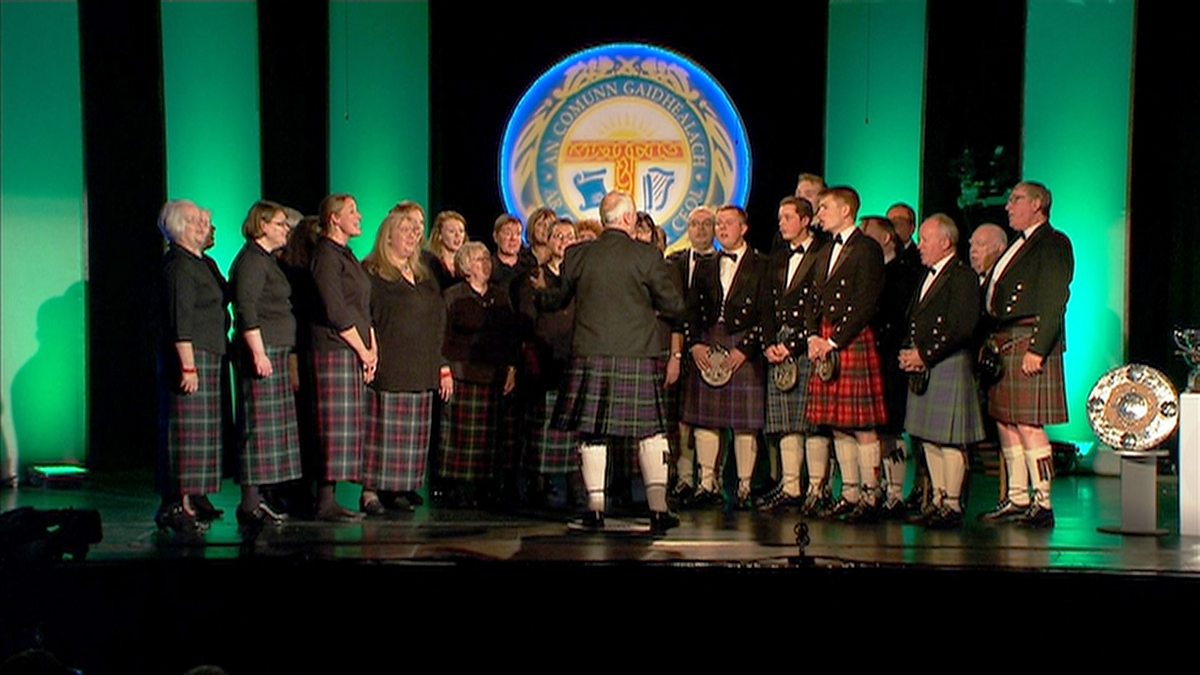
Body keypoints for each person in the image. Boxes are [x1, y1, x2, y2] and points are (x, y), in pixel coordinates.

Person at [532, 190, 685, 533]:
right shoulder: (647, 255)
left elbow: (556, 300)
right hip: (637, 354)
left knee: (592, 432)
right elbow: (673, 306)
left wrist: (540, 292)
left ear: (604, 220)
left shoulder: (578, 254)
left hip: (591, 354)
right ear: (628, 218)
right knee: (650, 433)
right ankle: (658, 511)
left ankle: (595, 510)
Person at [979, 181, 1073, 528]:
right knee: (1006, 422)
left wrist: (1038, 347)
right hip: (1006, 338)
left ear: (1037, 204)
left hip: (1029, 338)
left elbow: (1054, 298)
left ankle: (1043, 502)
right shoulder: (1018, 244)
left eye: (1016, 199)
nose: (1008, 206)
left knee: (1029, 425)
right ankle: (1017, 497)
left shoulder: (1053, 242)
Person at [361, 202, 452, 514]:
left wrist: (440, 363)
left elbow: (438, 317)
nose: (413, 236)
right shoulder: (371, 273)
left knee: (411, 435)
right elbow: (365, 317)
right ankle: (371, 491)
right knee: (382, 432)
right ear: (388, 236)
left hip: (421, 363)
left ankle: (398, 488)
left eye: (416, 231)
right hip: (390, 363)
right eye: (405, 230)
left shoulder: (425, 275)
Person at [805, 187, 888, 522]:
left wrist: (833, 340)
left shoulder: (867, 248)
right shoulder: (825, 249)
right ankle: (849, 493)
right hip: (825, 337)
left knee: (863, 425)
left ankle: (870, 495)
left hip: (849, 338)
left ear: (845, 211)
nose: (819, 214)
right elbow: (813, 297)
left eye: (824, 208)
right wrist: (813, 335)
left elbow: (867, 301)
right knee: (838, 425)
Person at [898, 214, 985, 528]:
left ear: (945, 242)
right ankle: (937, 499)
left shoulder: (962, 276)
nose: (920, 245)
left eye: (925, 239)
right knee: (929, 438)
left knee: (950, 440)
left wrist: (924, 355)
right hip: (926, 364)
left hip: (948, 362)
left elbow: (962, 326)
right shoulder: (928, 274)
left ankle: (952, 504)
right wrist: (910, 353)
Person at [682, 205, 769, 509]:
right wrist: (694, 344)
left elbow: (767, 312)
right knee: (706, 420)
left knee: (745, 423)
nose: (721, 228)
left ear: (743, 228)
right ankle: (707, 483)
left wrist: (746, 348)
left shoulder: (762, 264)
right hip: (708, 341)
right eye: (718, 223)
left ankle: (744, 487)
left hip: (743, 344)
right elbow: (690, 309)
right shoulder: (706, 263)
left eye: (728, 223)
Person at [155, 199, 227, 534]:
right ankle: (176, 505)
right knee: (185, 435)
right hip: (192, 356)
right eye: (196, 220)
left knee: (203, 434)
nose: (204, 226)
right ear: (179, 227)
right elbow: (179, 318)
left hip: (209, 353)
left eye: (204, 220)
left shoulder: (202, 262)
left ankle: (193, 498)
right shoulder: (179, 266)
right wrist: (188, 366)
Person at [229, 200, 302, 527]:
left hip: (276, 349)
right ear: (262, 225)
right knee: (258, 427)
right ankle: (249, 503)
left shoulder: (266, 260)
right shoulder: (251, 261)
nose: (286, 229)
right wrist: (258, 353)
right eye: (279, 224)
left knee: (270, 428)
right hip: (263, 350)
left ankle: (259, 499)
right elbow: (246, 308)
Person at [310, 193, 375, 521]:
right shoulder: (325, 255)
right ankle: (324, 501)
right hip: (335, 348)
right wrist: (362, 349)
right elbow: (335, 309)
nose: (359, 216)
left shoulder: (346, 255)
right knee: (333, 427)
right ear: (334, 218)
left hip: (353, 349)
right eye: (352, 211)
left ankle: (330, 500)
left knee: (345, 426)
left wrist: (371, 349)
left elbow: (362, 306)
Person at [439, 242, 518, 506]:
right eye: (478, 259)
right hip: (462, 375)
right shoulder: (453, 296)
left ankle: (486, 488)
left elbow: (511, 337)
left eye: (486, 258)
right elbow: (441, 335)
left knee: (489, 438)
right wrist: (444, 368)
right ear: (466, 266)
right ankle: (459, 487)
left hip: (493, 375)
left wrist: (511, 368)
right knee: (460, 437)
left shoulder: (500, 297)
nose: (485, 263)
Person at [757, 196, 823, 512]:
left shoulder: (822, 254)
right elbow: (766, 303)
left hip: (807, 343)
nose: (781, 223)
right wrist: (769, 342)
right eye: (780, 217)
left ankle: (816, 488)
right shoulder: (778, 257)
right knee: (785, 421)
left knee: (811, 421)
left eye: (787, 217)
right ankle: (791, 486)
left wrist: (793, 345)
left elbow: (818, 306)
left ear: (805, 220)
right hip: (778, 343)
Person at [518, 219, 579, 507]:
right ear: (549, 240)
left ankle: (572, 486)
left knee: (572, 428)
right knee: (542, 427)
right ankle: (539, 485)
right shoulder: (534, 276)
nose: (563, 241)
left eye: (569, 236)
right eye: (558, 236)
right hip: (543, 360)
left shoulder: (580, 279)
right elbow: (527, 321)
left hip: (573, 361)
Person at [664, 207, 717, 503]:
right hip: (679, 344)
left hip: (711, 345)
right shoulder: (675, 262)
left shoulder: (723, 261)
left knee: (711, 417)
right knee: (682, 416)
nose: (700, 229)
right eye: (695, 224)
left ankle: (710, 479)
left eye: (706, 224)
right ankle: (684, 477)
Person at [426, 210, 468, 290]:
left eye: (461, 231)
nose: (458, 235)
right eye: (452, 231)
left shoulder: (468, 266)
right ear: (439, 235)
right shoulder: (430, 264)